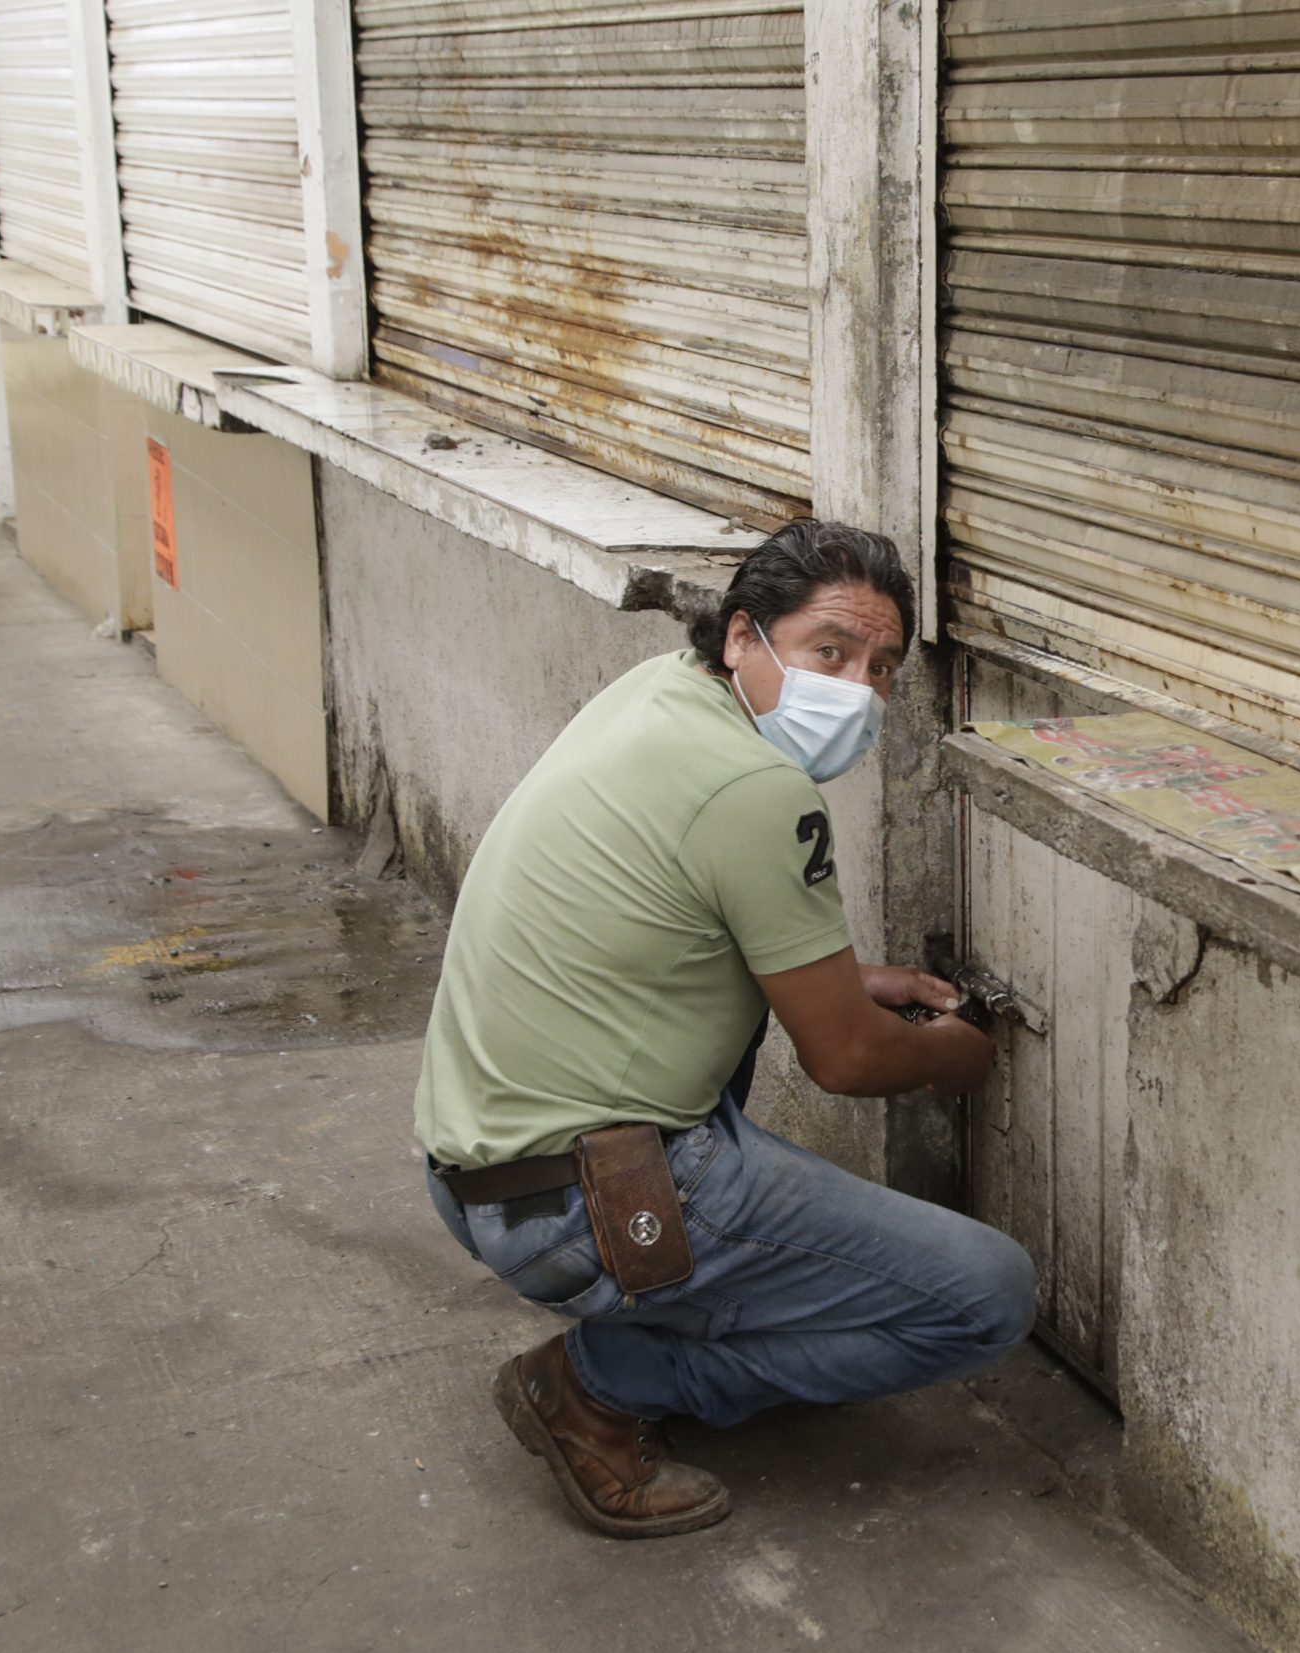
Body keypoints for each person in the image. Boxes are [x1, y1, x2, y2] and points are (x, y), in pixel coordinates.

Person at [414, 519, 1024, 1538]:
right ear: (743, 634)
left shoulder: (658, 695)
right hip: (579, 1207)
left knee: (754, 1068)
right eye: (829, 649)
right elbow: (848, 1057)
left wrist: (847, 975)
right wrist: (954, 1054)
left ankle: (661, 1307)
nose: (857, 689)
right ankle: (601, 1384)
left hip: (476, 1167)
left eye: (881, 668)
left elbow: (680, 910)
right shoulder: (756, 788)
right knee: (987, 1295)